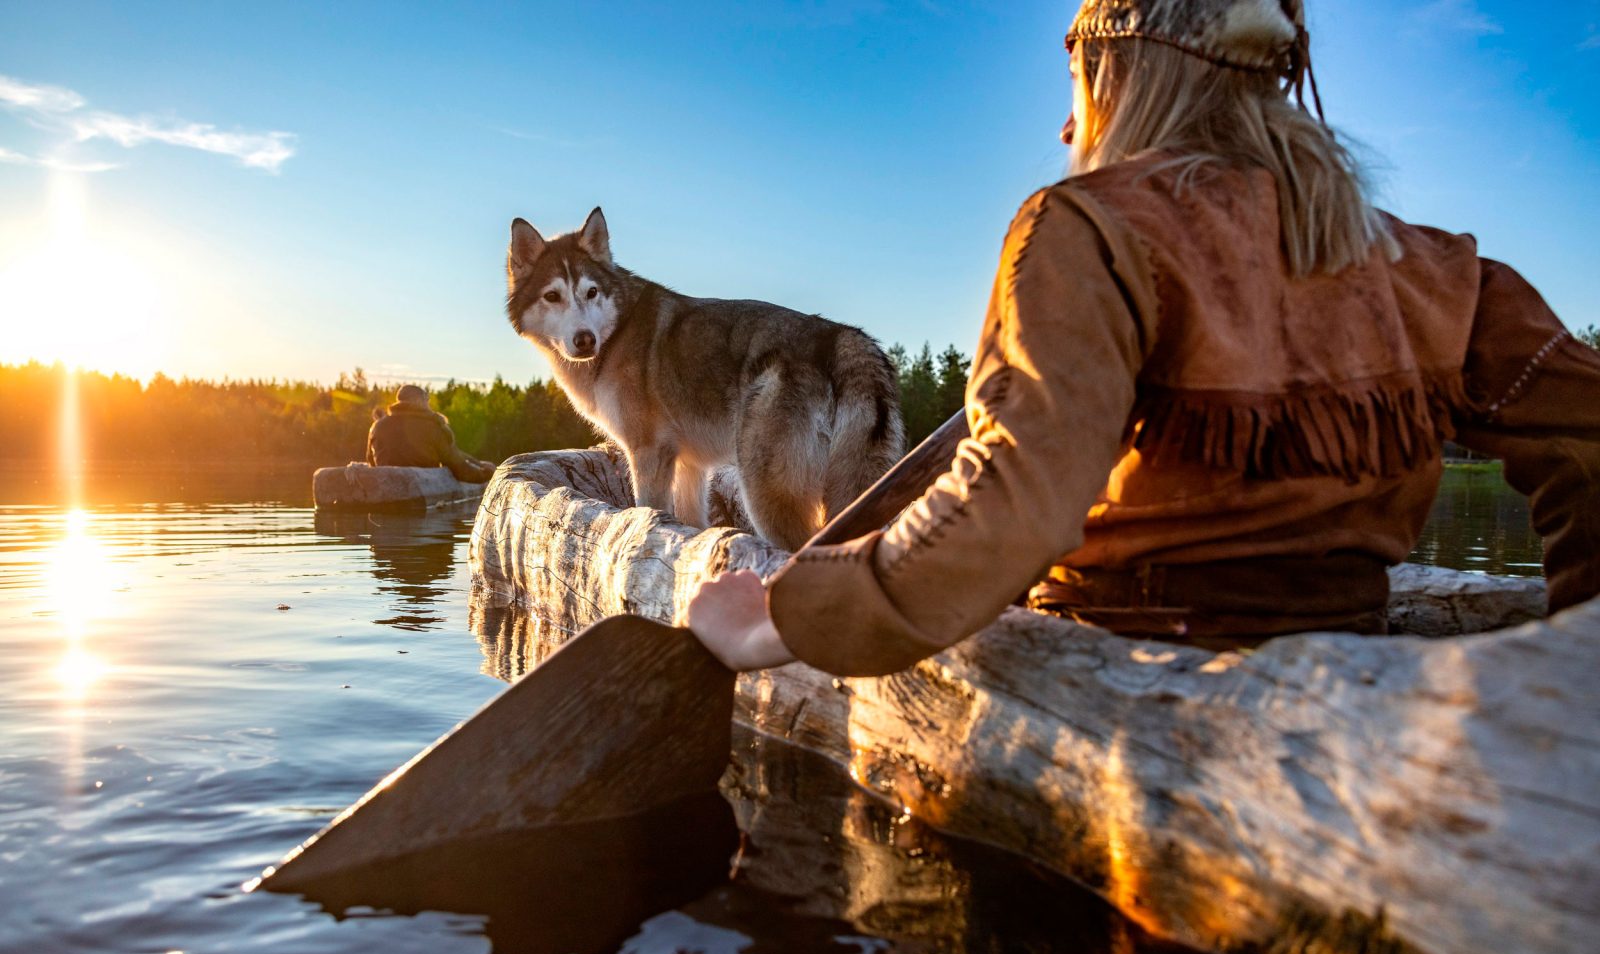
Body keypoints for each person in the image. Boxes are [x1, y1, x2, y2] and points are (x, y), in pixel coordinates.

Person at [686, 0, 1600, 676]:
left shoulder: (1084, 228)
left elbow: (1014, 502)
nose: (1065, 126)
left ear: (1118, 75)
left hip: (1122, 661)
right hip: (1355, 662)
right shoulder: (1432, 266)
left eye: (1075, 86)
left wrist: (778, 618)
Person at [366, 384, 497, 483]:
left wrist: (478, 464)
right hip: (422, 492)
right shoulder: (434, 426)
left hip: (385, 489)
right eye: (426, 400)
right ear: (418, 401)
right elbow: (459, 468)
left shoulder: (377, 426)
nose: (429, 405)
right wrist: (487, 474)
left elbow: (371, 462)